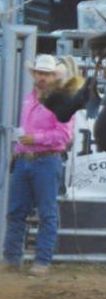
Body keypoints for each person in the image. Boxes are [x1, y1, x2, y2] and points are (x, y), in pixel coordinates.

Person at [1, 54, 75, 277]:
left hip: (47, 159)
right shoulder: (29, 99)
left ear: (54, 76)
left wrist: (36, 138)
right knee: (16, 212)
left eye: (47, 74)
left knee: (46, 213)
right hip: (26, 159)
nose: (42, 77)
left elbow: (64, 135)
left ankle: (41, 260)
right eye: (40, 73)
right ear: (34, 74)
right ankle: (12, 258)